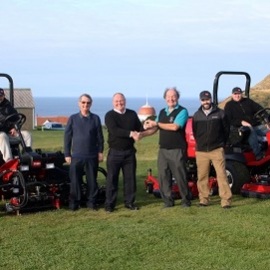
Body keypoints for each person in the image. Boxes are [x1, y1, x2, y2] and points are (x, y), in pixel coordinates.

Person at [143, 87, 191, 208]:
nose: (171, 99)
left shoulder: (182, 111)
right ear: (165, 98)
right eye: (168, 97)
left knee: (180, 176)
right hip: (163, 149)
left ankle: (186, 200)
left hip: (177, 149)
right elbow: (156, 128)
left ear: (177, 97)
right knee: (163, 176)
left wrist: (156, 123)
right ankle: (168, 201)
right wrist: (142, 133)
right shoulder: (162, 112)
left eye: (173, 96)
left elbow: (175, 127)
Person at [104, 92, 152, 212]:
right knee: (112, 179)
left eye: (121, 101)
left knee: (130, 179)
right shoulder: (109, 115)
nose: (119, 103)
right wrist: (131, 133)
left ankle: (129, 202)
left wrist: (145, 127)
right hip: (115, 153)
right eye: (117, 101)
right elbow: (115, 131)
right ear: (113, 103)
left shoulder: (131, 114)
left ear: (125, 101)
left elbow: (138, 128)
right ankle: (110, 204)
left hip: (129, 152)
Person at [64, 93, 104, 211]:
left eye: (88, 103)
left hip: (91, 155)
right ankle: (75, 203)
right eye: (83, 102)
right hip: (76, 156)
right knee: (75, 181)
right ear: (79, 104)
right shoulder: (73, 118)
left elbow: (100, 137)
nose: (85, 105)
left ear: (91, 104)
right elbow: (67, 137)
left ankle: (91, 203)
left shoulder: (95, 118)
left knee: (92, 181)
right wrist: (67, 154)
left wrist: (100, 152)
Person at [192, 91, 232, 209]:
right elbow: (195, 132)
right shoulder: (196, 115)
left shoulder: (220, 113)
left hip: (216, 149)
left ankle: (226, 201)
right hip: (201, 151)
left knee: (221, 175)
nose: (206, 102)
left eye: (207, 99)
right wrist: (201, 143)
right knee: (202, 176)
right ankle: (204, 199)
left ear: (211, 99)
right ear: (200, 101)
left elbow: (226, 130)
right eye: (203, 100)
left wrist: (221, 144)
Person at [224, 87, 268, 160]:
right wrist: (241, 122)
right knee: (250, 130)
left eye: (239, 94)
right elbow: (228, 120)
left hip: (255, 125)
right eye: (235, 94)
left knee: (266, 129)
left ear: (241, 94)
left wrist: (267, 119)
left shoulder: (248, 101)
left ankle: (263, 141)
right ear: (232, 95)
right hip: (239, 128)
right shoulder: (229, 105)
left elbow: (259, 108)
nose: (237, 96)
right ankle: (258, 154)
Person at [0, 88, 32, 162]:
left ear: (3, 96)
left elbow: (16, 118)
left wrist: (14, 128)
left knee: (27, 135)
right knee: (2, 136)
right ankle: (9, 161)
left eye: (1, 95)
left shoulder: (8, 106)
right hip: (1, 133)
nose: (0, 97)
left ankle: (26, 157)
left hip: (9, 132)